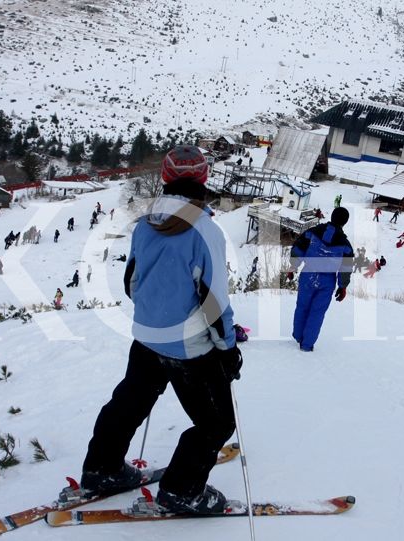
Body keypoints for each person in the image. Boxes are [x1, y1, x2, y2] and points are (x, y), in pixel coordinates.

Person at [80, 145, 241, 516]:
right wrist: (228, 348)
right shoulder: (205, 231)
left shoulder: (145, 223)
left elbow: (131, 282)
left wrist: (156, 316)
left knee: (130, 401)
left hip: (147, 337)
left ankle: (102, 469)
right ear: (203, 178)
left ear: (166, 177)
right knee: (217, 423)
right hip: (189, 348)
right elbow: (214, 301)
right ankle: (182, 491)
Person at [288, 206, 353, 352]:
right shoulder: (345, 245)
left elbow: (298, 248)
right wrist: (342, 286)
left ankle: (298, 336)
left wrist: (293, 267)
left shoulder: (312, 232)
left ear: (332, 216)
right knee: (317, 312)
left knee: (302, 306)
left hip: (308, 274)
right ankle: (307, 345)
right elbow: (346, 268)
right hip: (327, 281)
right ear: (345, 222)